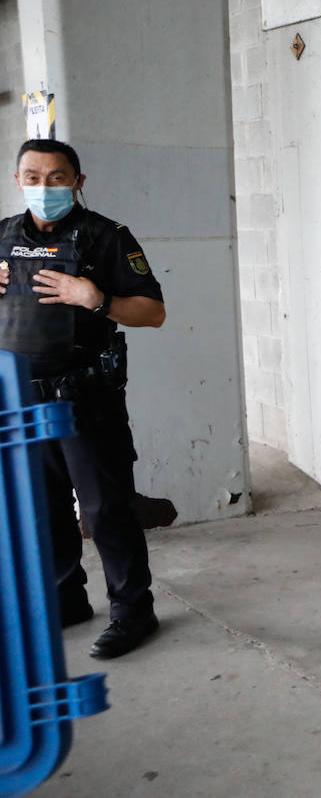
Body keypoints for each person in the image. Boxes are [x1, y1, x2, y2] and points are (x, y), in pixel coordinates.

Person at [0, 139, 166, 659]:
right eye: (32, 176)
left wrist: (97, 299)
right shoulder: (2, 236)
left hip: (83, 397)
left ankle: (134, 611)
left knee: (104, 510)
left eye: (56, 177)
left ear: (77, 181)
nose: (43, 187)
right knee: (43, 509)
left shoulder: (105, 237)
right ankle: (65, 599)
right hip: (21, 399)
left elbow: (152, 312)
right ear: (17, 178)